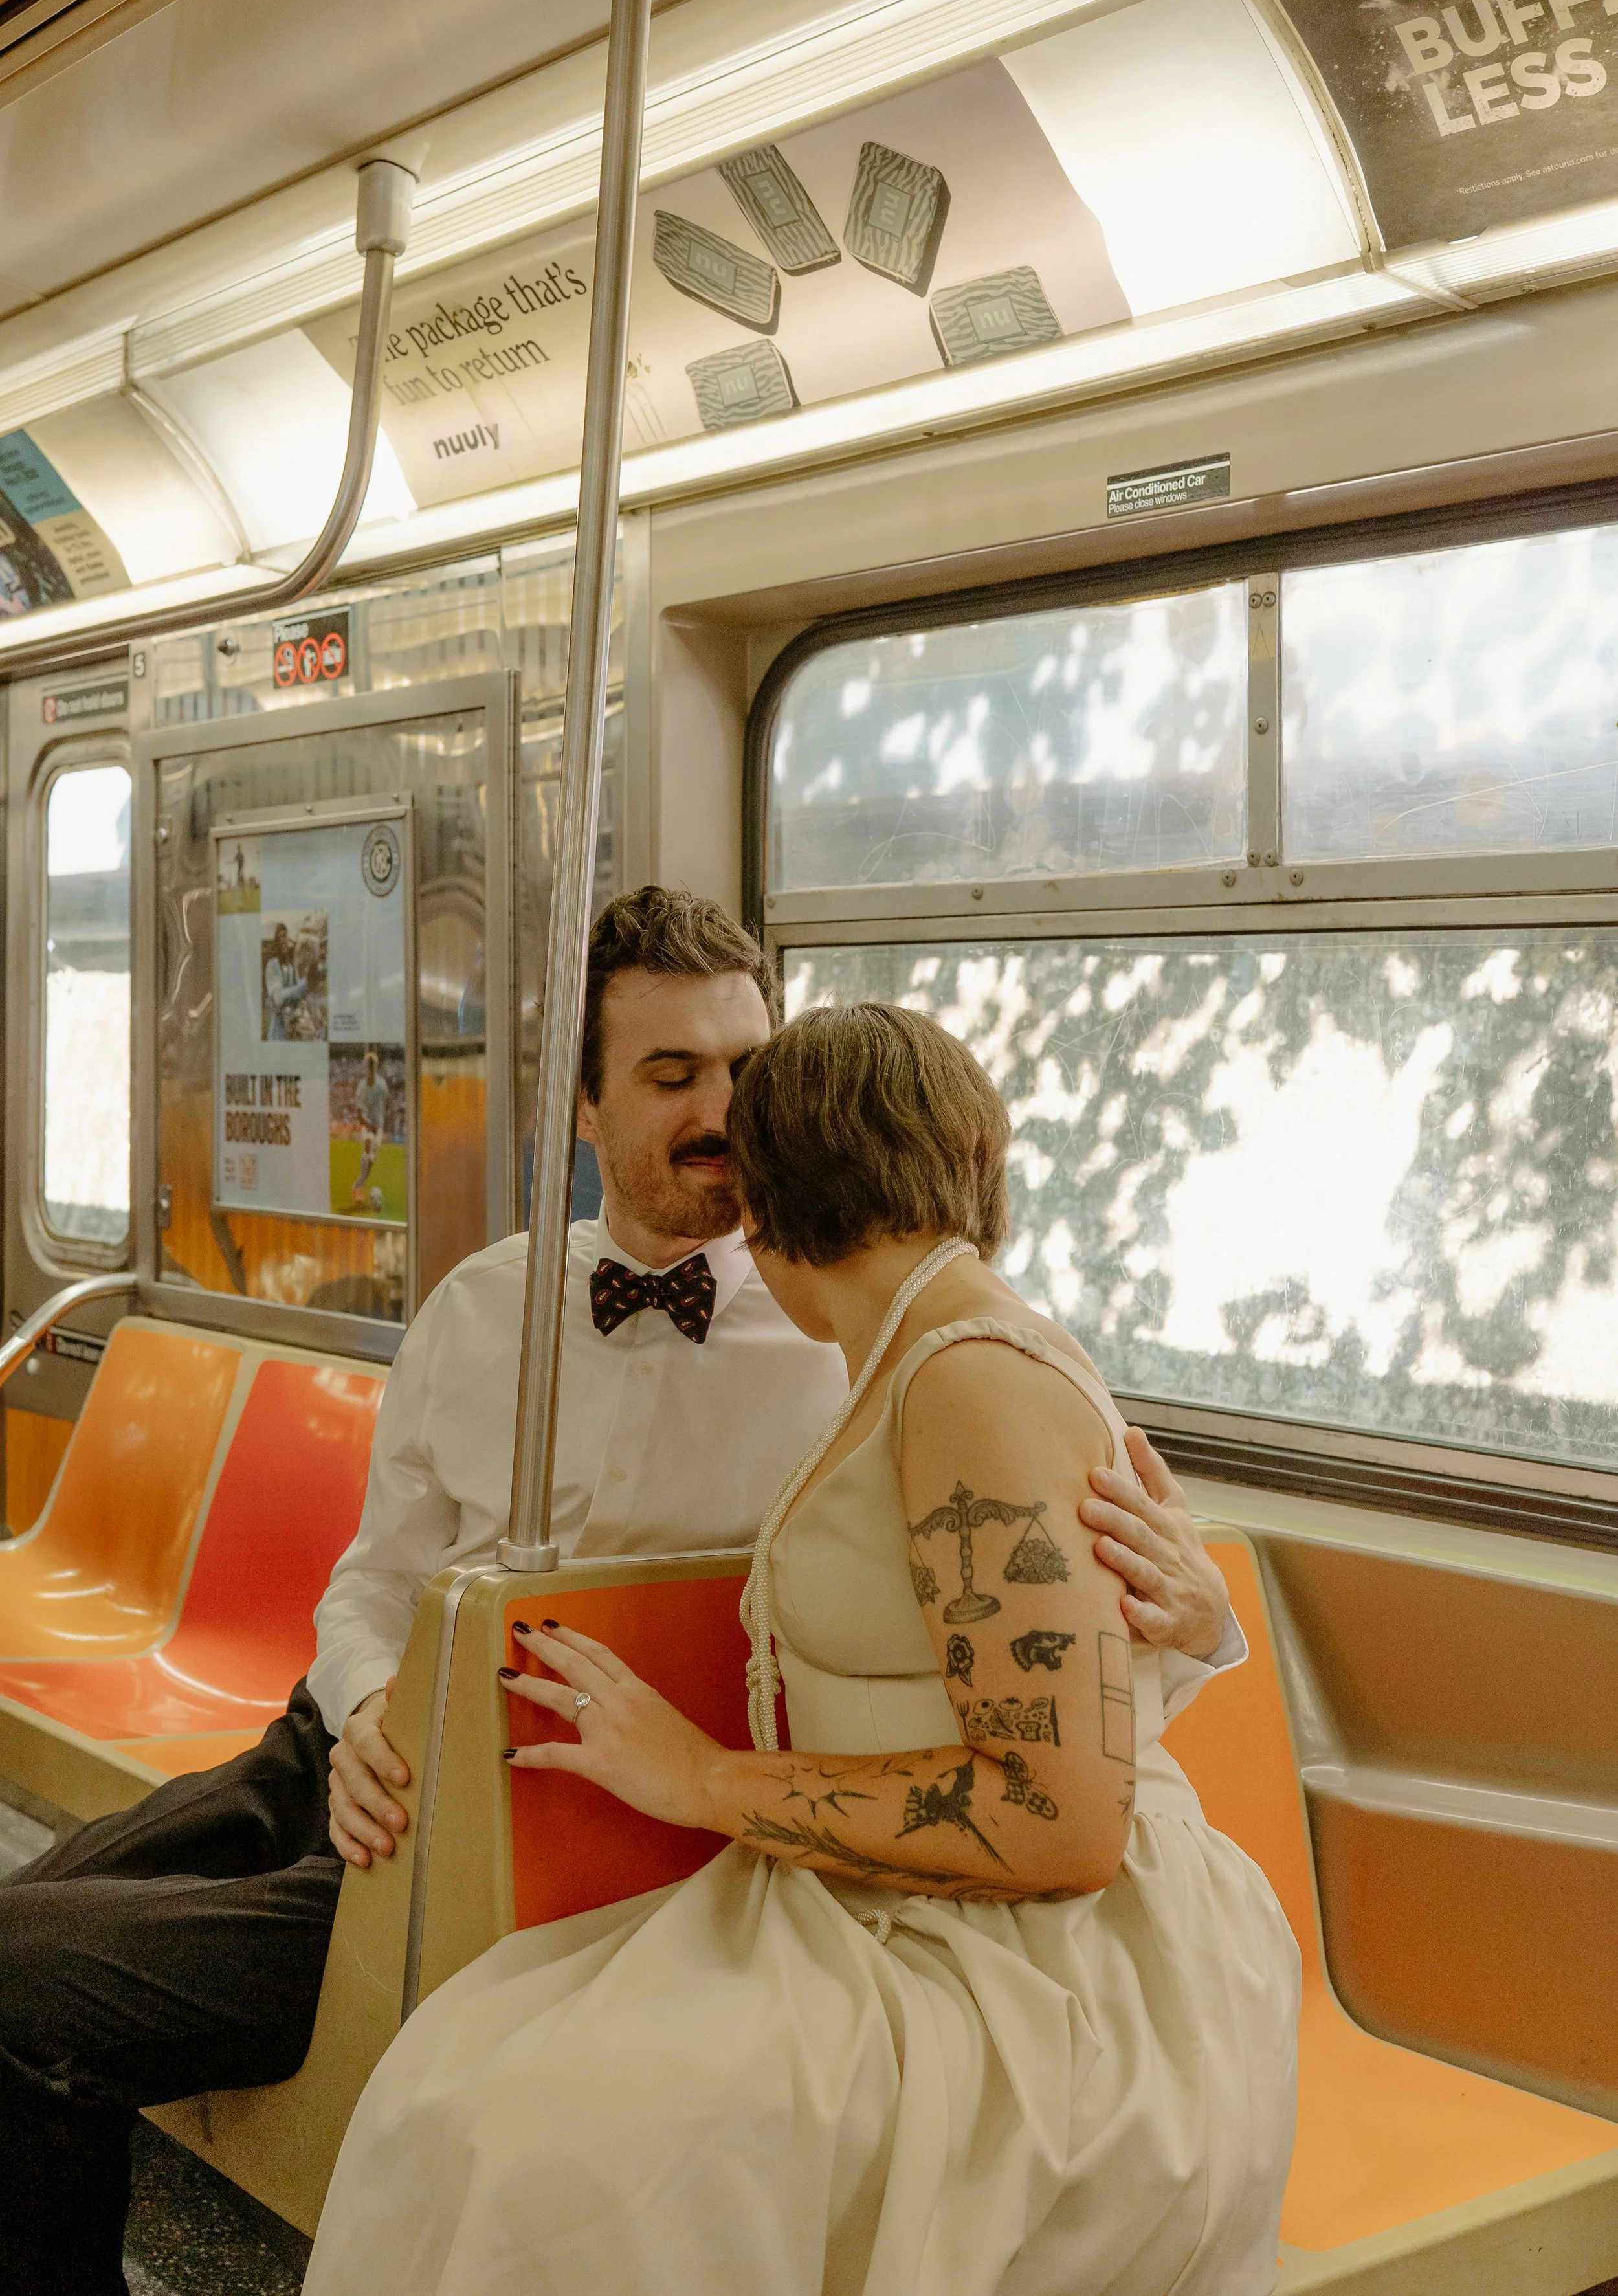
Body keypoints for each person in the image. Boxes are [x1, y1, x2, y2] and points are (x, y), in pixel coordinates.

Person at [0, 891, 1238, 2296]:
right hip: (358, 1745)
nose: (722, 1114)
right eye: (670, 1077)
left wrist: (1198, 1614)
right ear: (582, 1108)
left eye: (746, 1074)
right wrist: (361, 1722)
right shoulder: (481, 1307)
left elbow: (1040, 1644)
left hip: (554, 1816)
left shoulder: (871, 1336)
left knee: (27, 1994)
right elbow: (371, 1587)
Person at [305, 1003, 1299, 2296]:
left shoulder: (965, 1381)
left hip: (1038, 1965)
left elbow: (1059, 1820)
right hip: (894, 1899)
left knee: (542, 2139)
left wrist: (702, 1778)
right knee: (468, 2082)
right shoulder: (910, 1355)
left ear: (766, 1214)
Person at [350, 1049, 391, 1205]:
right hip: (368, 1124)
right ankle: (358, 1187)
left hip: (378, 1126)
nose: (371, 1069)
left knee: (370, 1161)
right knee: (367, 1147)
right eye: (369, 1066)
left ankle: (359, 1184)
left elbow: (387, 1101)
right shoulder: (362, 1087)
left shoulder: (382, 1085)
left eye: (373, 1066)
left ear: (376, 1067)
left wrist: (380, 1124)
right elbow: (359, 1116)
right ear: (365, 1068)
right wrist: (370, 1125)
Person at [262, 922, 308, 1040]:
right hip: (279, 1030)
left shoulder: (292, 966)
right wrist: (303, 986)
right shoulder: (272, 966)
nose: (284, 941)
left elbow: (303, 993)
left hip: (293, 1027)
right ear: (276, 942)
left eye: (285, 936)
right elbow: (278, 997)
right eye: (280, 937)